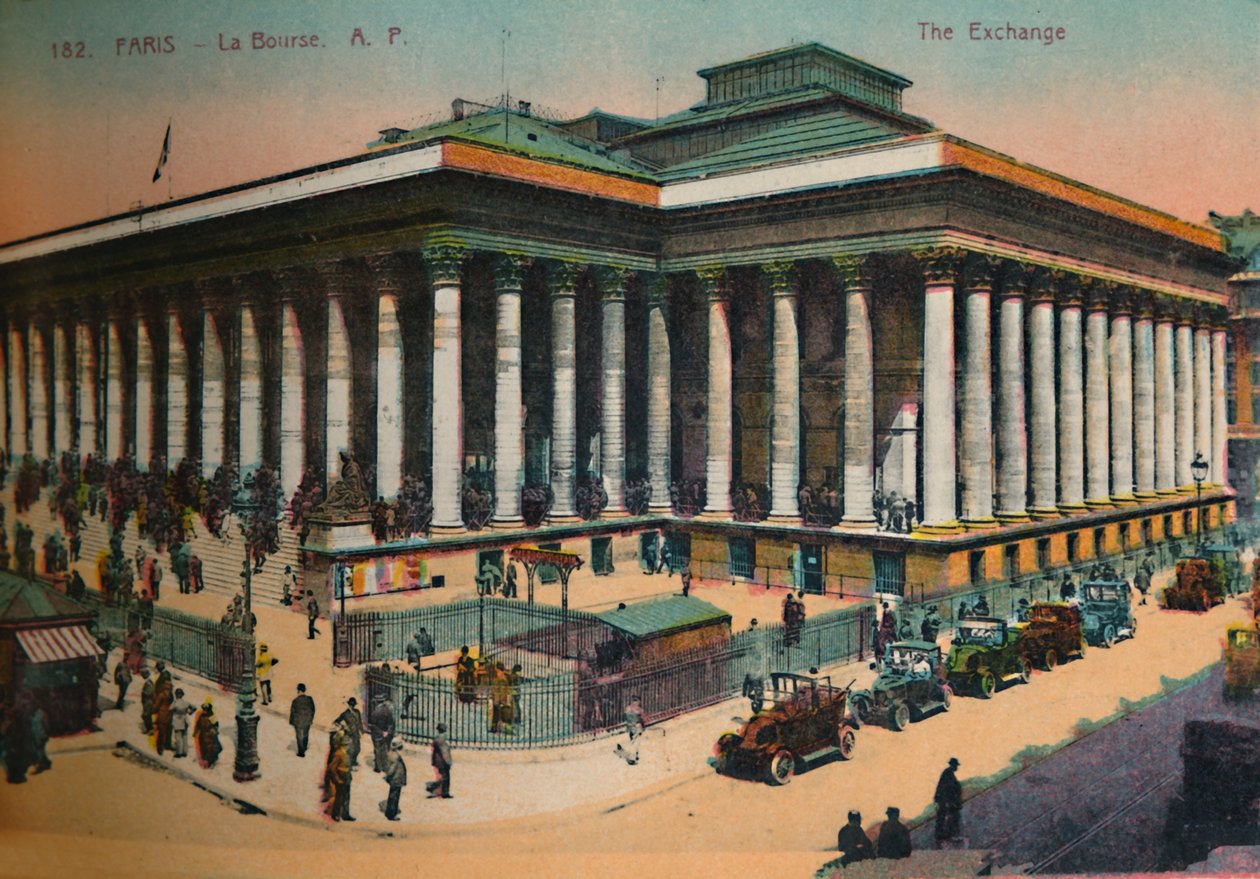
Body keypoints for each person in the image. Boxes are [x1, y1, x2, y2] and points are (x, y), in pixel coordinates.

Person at [934, 757, 963, 847]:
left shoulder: (948, 773)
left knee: (945, 817)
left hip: (946, 800)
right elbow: (947, 789)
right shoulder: (948, 774)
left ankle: (945, 834)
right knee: (946, 817)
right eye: (956, 765)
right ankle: (945, 835)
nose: (957, 767)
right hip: (946, 801)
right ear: (953, 765)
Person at [326, 733, 354, 821]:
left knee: (346, 796)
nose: (349, 746)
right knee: (339, 797)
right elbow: (332, 768)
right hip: (341, 776)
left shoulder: (346, 753)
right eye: (347, 744)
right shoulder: (339, 754)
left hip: (346, 776)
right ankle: (335, 814)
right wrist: (337, 779)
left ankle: (345, 814)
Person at [614, 694, 645, 765]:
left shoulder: (627, 708)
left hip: (630, 727)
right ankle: (631, 758)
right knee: (635, 743)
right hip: (637, 728)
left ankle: (633, 755)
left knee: (633, 741)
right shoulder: (639, 709)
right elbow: (643, 719)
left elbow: (624, 717)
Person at [334, 697, 364, 767]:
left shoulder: (357, 712)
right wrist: (343, 727)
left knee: (357, 749)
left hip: (356, 733)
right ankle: (349, 762)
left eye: (353, 705)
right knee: (349, 749)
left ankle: (353, 761)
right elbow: (336, 722)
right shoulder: (345, 713)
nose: (352, 706)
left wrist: (362, 731)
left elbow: (360, 722)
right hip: (349, 733)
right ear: (349, 705)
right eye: (351, 705)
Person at [369, 695, 396, 773]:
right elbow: (391, 723)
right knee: (386, 750)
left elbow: (373, 726)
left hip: (377, 734)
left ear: (376, 702)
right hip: (387, 734)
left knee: (377, 750)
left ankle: (378, 767)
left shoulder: (375, 713)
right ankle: (385, 767)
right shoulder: (388, 711)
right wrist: (388, 732)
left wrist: (381, 732)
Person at [289, 683, 316, 758]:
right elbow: (313, 709)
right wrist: (311, 718)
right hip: (307, 720)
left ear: (298, 690)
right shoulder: (310, 699)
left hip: (298, 721)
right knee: (305, 734)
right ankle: (305, 746)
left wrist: (291, 721)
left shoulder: (295, 701)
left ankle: (301, 752)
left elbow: (293, 712)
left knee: (299, 736)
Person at [383, 738, 407, 821]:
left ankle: (389, 812)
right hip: (396, 779)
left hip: (394, 779)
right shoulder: (396, 756)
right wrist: (388, 775)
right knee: (394, 797)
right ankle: (392, 814)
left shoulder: (390, 754)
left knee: (392, 795)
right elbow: (392, 769)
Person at [426, 723, 452, 798]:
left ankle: (444, 792)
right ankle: (432, 787)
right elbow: (444, 752)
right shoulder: (441, 739)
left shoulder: (438, 738)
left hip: (438, 761)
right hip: (442, 762)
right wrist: (448, 762)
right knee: (445, 777)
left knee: (444, 777)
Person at [194, 701, 222, 768]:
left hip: (210, 735)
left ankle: (211, 762)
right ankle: (207, 761)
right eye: (204, 710)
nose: (204, 711)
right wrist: (195, 732)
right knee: (204, 749)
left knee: (211, 749)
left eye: (206, 710)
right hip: (203, 735)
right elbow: (198, 725)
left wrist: (214, 731)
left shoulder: (212, 716)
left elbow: (216, 725)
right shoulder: (201, 716)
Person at [28, 702, 51, 774]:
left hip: (38, 730)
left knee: (38, 744)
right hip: (37, 725)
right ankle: (44, 762)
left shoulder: (37, 712)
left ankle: (41, 763)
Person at [171, 688, 194, 759]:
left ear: (176, 695)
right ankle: (185, 752)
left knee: (178, 737)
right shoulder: (186, 702)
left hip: (178, 721)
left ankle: (178, 752)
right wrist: (190, 712)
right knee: (184, 736)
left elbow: (170, 709)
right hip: (185, 720)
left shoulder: (175, 703)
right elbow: (194, 707)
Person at [139, 668, 155, 734]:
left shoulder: (149, 683)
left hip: (148, 702)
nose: (142, 676)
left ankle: (150, 729)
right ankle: (149, 728)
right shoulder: (149, 681)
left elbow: (149, 693)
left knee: (146, 715)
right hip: (147, 701)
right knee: (147, 715)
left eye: (142, 675)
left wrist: (144, 692)